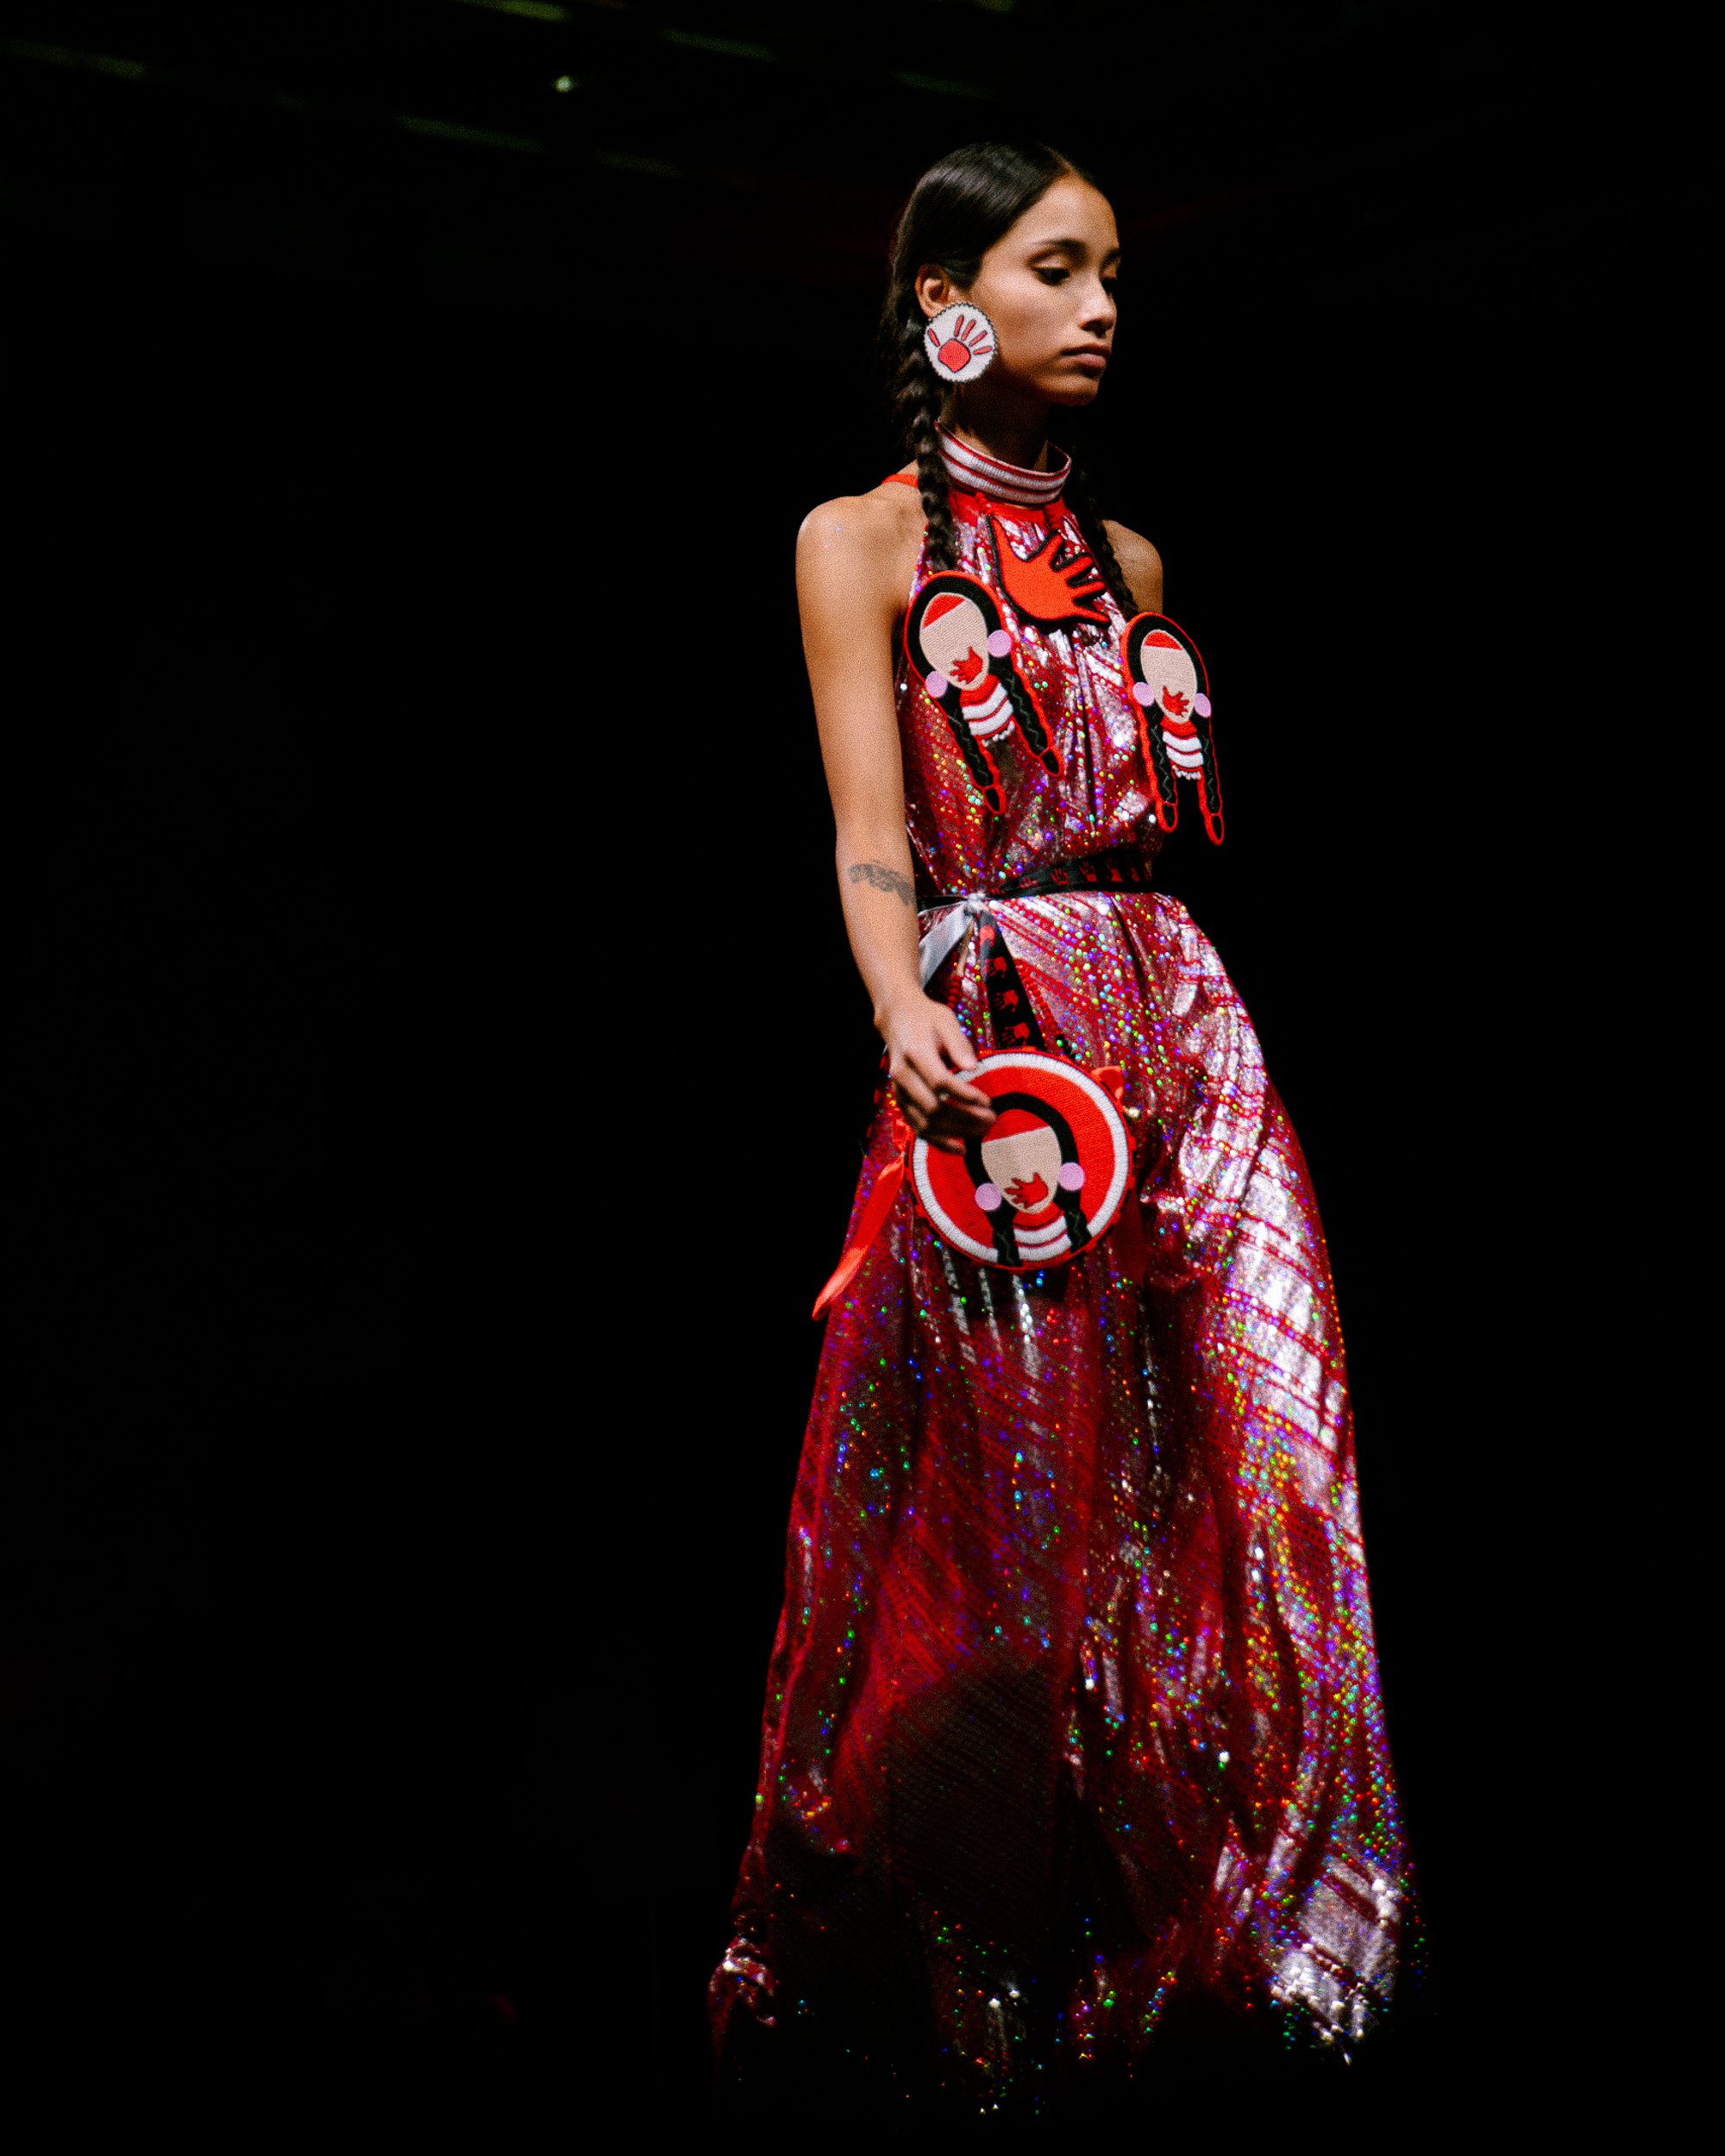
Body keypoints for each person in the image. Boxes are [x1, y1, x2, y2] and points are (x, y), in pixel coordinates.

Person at [711, 140, 1410, 2115]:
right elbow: (870, 827)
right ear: (953, 302)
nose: (1103, 307)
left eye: (1112, 274)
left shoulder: (1140, 569)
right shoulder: (855, 541)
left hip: (1188, 1026)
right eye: (1057, 268)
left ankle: (1282, 1955)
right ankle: (969, 2004)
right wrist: (897, 997)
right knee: (1022, 1530)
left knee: (1270, 1465)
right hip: (1009, 1054)